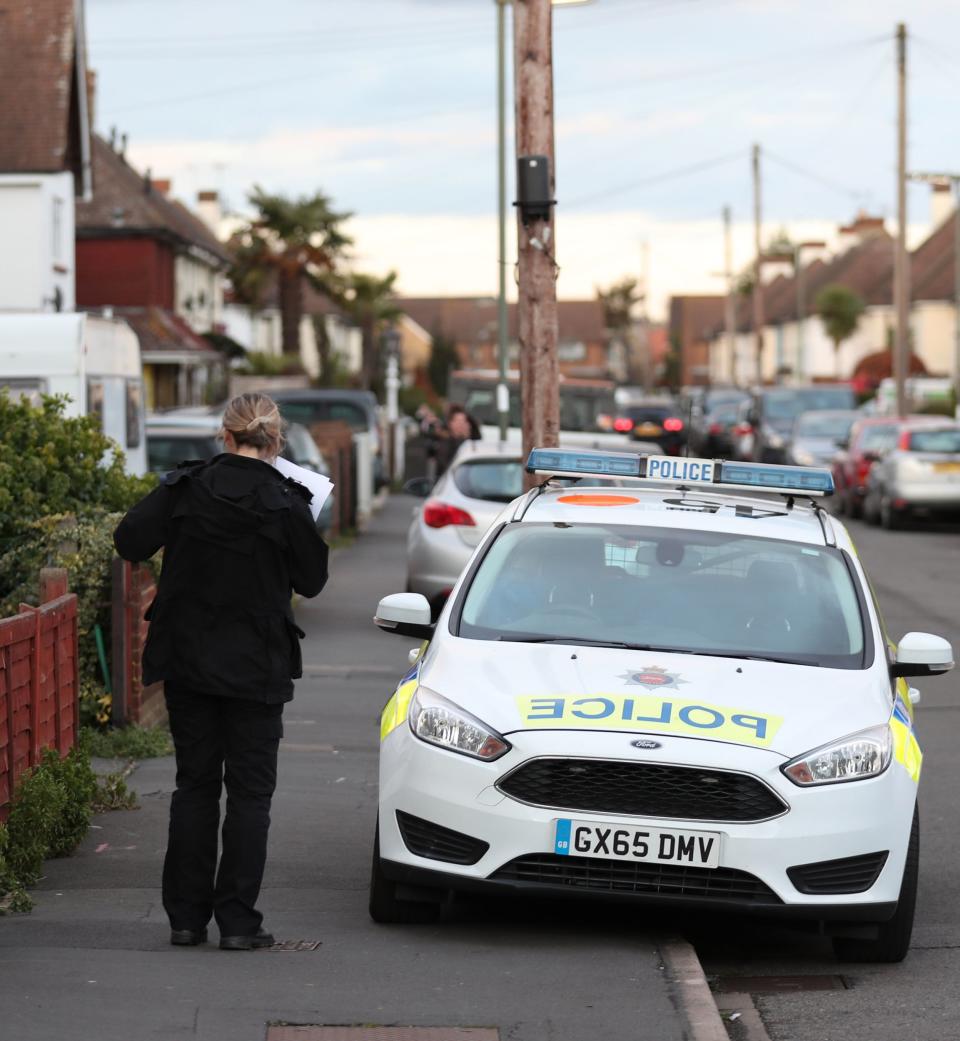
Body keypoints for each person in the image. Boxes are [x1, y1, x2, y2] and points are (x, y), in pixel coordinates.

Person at [113, 393, 329, 951]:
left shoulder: (186, 487)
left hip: (189, 662)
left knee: (195, 787)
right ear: (275, 440)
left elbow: (129, 540)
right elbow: (312, 580)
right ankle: (238, 923)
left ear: (224, 435)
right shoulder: (288, 500)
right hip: (257, 669)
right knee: (251, 797)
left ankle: (185, 919)